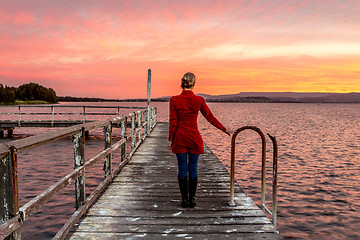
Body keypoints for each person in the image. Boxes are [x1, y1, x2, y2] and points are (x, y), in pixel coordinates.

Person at [168, 72, 230, 208]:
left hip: (180, 137)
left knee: (182, 169)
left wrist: (170, 139)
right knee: (193, 169)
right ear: (194, 84)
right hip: (194, 138)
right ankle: (192, 200)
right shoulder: (199, 100)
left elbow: (173, 122)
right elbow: (210, 117)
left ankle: (184, 200)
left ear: (181, 83)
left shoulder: (174, 100)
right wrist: (224, 129)